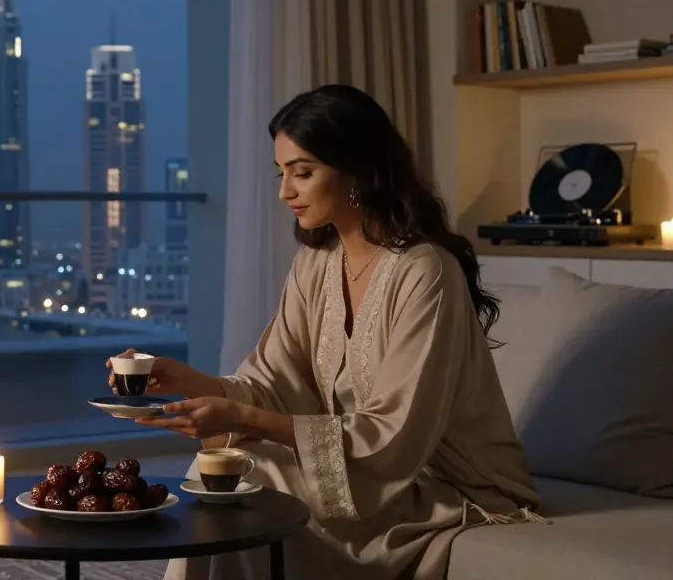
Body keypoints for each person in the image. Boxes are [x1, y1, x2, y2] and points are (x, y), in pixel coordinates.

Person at [107, 85, 546, 580]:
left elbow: (395, 437)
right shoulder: (316, 264)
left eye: (303, 172)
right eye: (282, 173)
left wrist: (243, 417)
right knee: (234, 470)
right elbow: (274, 384)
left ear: (356, 168)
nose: (284, 191)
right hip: (362, 473)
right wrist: (190, 382)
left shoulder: (425, 272)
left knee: (249, 477)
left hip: (443, 481)